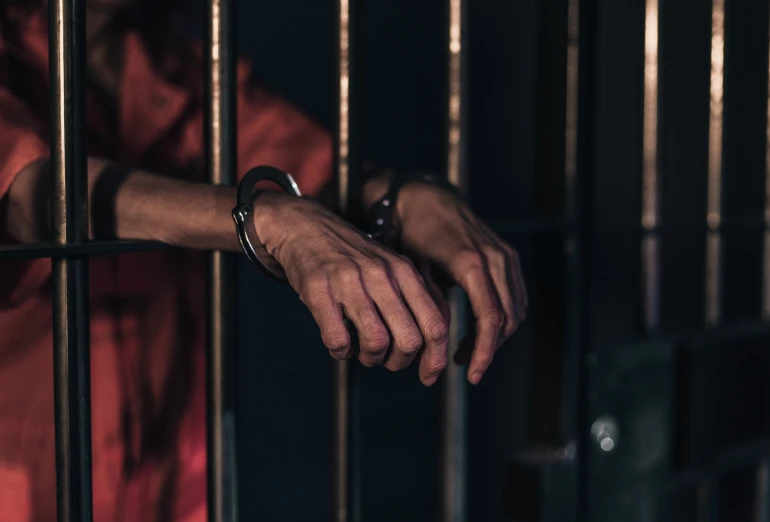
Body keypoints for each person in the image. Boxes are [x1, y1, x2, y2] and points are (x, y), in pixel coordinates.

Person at [0, 0, 527, 520]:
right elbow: (30, 193)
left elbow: (308, 160)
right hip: (23, 483)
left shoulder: (167, 65)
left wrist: (411, 198)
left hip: (173, 477)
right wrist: (269, 220)